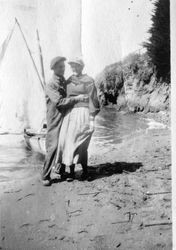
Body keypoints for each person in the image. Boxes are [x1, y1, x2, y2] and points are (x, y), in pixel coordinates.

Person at [42, 56, 88, 186]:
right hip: (54, 118)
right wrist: (78, 98)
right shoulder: (51, 84)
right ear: (53, 68)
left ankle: (61, 170)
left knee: (64, 143)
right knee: (53, 146)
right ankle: (45, 175)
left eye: (63, 66)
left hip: (66, 117)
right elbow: (59, 102)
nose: (62, 69)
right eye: (59, 67)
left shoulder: (64, 81)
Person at [55, 58, 100, 181]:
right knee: (67, 141)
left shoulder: (88, 81)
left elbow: (93, 99)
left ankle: (85, 171)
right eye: (72, 66)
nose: (74, 68)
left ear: (82, 67)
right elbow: (63, 98)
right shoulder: (68, 81)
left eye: (77, 66)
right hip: (69, 114)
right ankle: (71, 172)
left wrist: (92, 119)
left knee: (81, 143)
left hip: (83, 112)